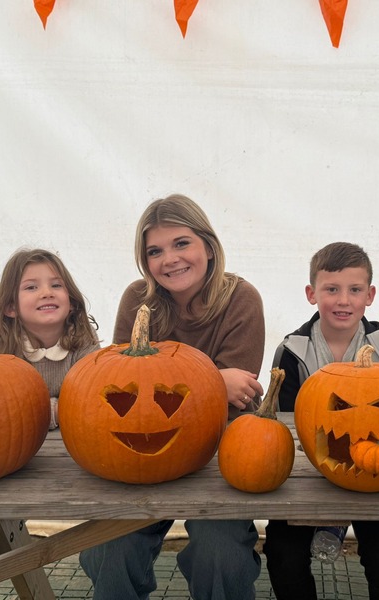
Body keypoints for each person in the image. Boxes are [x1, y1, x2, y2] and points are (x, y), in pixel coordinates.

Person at [79, 194, 266, 600]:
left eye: (181, 243)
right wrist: (216, 380)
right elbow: (119, 384)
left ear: (208, 247)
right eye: (155, 251)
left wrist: (218, 386)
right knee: (109, 551)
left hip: (219, 453)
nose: (170, 259)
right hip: (140, 449)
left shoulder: (241, 298)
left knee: (220, 556)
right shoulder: (137, 300)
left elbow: (239, 395)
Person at [263, 242, 379, 600]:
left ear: (369, 295)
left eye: (354, 290)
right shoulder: (291, 351)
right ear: (311, 294)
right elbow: (286, 423)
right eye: (331, 289)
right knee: (282, 551)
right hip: (308, 471)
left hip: (376, 468)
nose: (343, 300)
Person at [0, 248, 100, 430]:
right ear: (11, 307)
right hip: (14, 439)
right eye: (31, 287)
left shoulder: (83, 338)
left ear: (72, 302)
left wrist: (35, 411)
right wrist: (56, 410)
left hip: (70, 439)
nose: (47, 293)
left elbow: (92, 399)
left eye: (56, 285)